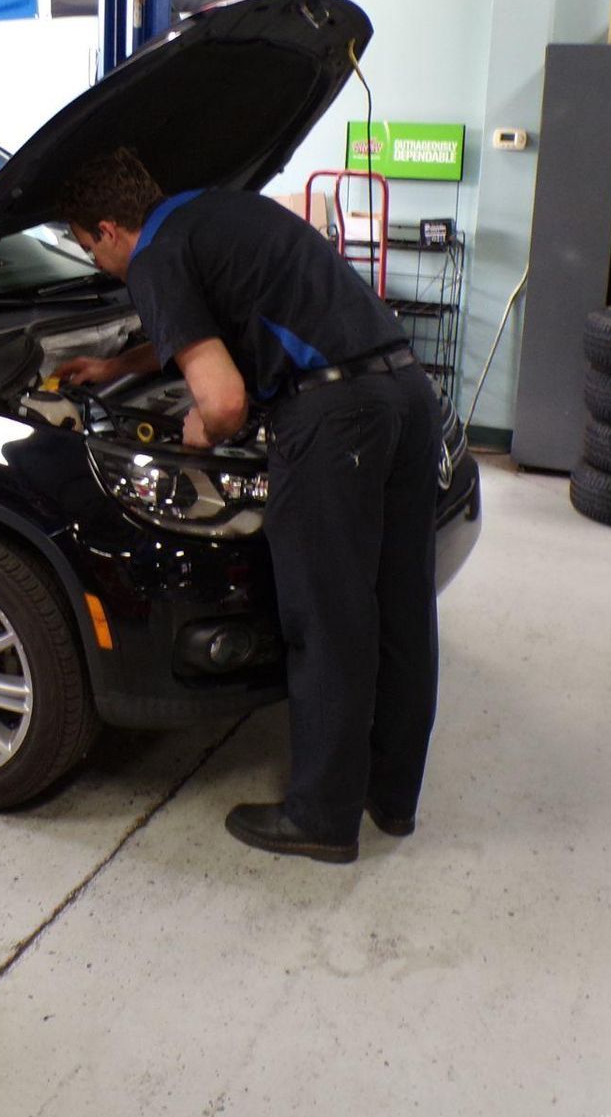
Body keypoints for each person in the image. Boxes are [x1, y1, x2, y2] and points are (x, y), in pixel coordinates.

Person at [52, 149, 442, 865]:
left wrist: (205, 424)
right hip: (407, 395)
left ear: (107, 229)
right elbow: (217, 317)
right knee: (400, 606)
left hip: (334, 418)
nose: (97, 262)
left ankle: (321, 817)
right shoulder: (218, 210)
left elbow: (224, 402)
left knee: (327, 620)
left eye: (86, 246)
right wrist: (118, 366)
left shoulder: (153, 259)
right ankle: (392, 799)